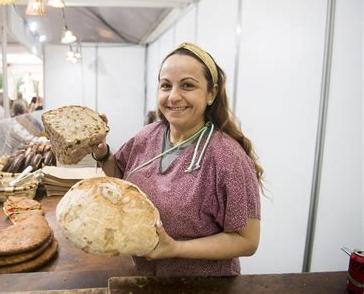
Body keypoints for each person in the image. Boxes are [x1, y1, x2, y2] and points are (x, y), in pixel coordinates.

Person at [91, 43, 263, 277]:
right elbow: (121, 178)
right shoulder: (147, 135)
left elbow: (247, 241)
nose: (173, 96)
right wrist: (101, 152)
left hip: (201, 285)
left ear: (211, 93)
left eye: (187, 85)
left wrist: (175, 248)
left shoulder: (228, 158)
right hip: (145, 276)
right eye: (165, 85)